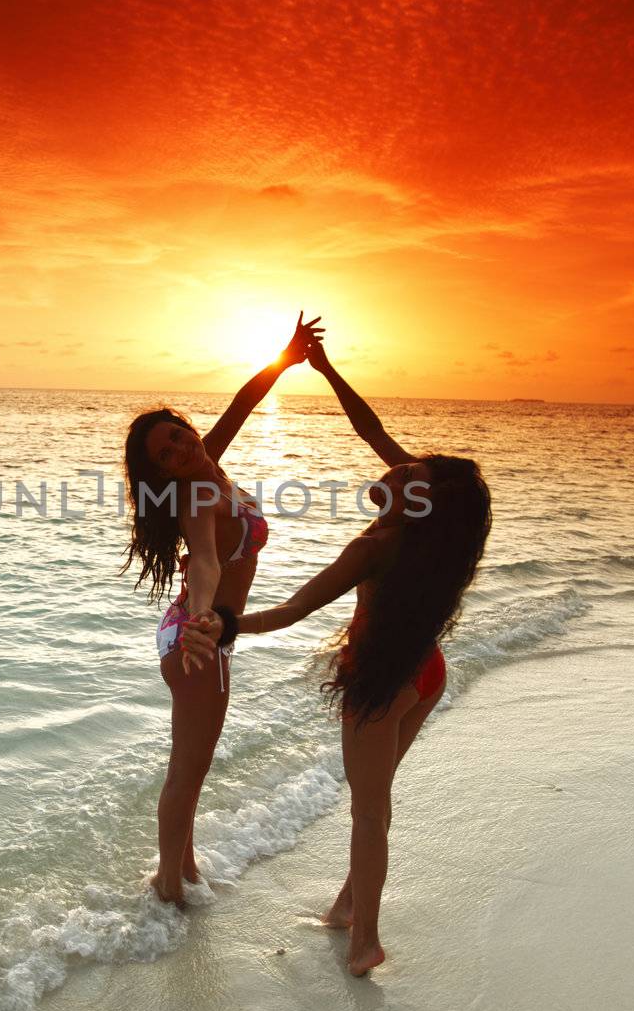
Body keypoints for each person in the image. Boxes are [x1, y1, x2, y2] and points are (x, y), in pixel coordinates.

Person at [182, 334, 492, 973]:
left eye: (410, 476)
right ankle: (349, 906)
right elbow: (372, 430)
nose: (395, 469)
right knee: (376, 801)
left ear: (420, 503)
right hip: (426, 670)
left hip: (382, 682)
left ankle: (364, 941)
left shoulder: (376, 546)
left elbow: (295, 609)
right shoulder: (436, 531)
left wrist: (226, 625)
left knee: (368, 811)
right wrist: (324, 369)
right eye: (406, 465)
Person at [122, 312, 325, 908]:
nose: (183, 446)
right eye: (167, 452)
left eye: (180, 433)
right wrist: (203, 624)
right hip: (197, 635)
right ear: (161, 472)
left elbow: (242, 401)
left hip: (206, 632)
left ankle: (183, 872)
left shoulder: (208, 462)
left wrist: (286, 359)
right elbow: (206, 561)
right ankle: (167, 895)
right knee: (187, 770)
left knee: (194, 765)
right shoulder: (195, 494)